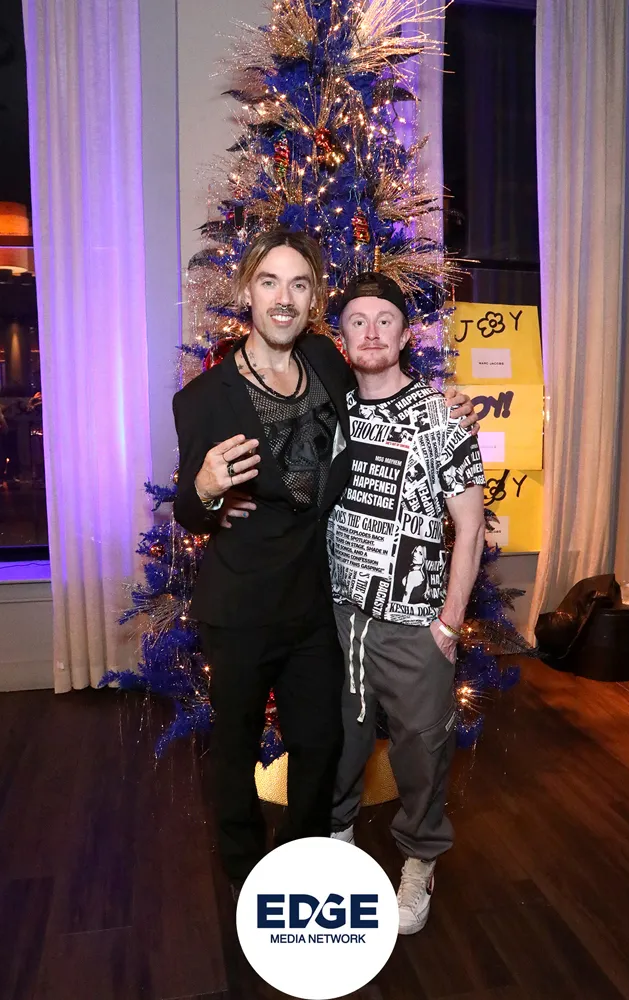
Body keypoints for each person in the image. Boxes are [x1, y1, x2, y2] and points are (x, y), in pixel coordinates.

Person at [172, 229, 476, 891]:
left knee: (320, 745)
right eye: (269, 282)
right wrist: (205, 490)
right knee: (235, 750)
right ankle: (247, 879)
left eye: (298, 284)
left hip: (315, 607)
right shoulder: (203, 398)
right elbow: (189, 509)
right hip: (242, 608)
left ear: (312, 300)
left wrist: (444, 402)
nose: (283, 298)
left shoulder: (324, 361)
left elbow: (386, 383)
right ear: (248, 292)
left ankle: (304, 865)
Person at [327, 271, 486, 936]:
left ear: (403, 334)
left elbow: (470, 527)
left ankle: (419, 860)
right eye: (356, 321)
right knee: (339, 739)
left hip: (414, 625)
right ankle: (337, 833)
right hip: (338, 618)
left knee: (421, 750)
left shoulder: (441, 417)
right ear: (340, 337)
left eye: (384, 320)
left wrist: (448, 624)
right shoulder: (328, 411)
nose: (371, 333)